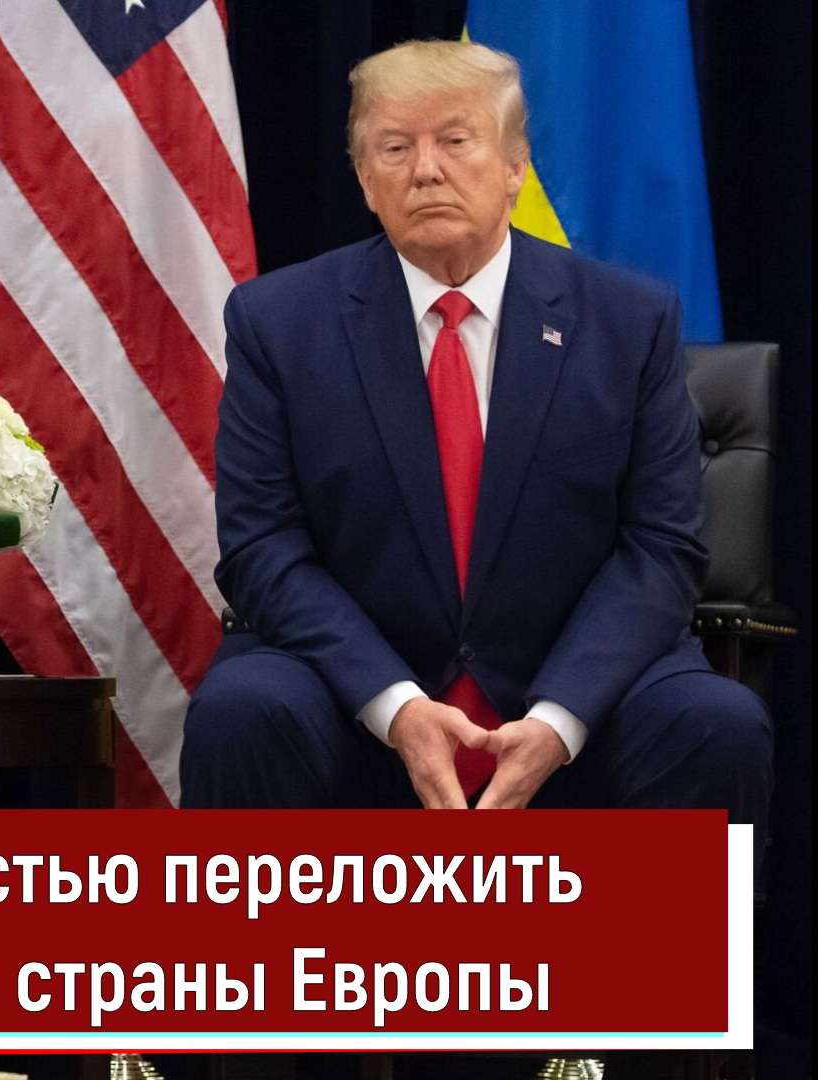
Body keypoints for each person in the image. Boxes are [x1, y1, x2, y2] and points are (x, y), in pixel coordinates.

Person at [178, 41, 770, 816]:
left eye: (456, 141)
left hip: (577, 697)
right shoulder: (278, 323)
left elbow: (660, 546)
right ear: (364, 180)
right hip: (352, 698)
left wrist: (558, 721)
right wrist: (395, 706)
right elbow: (262, 545)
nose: (426, 170)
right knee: (240, 712)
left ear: (515, 165)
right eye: (395, 148)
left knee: (715, 723)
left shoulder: (630, 320)